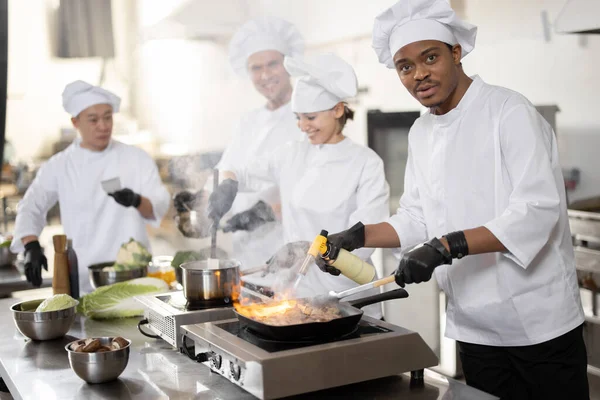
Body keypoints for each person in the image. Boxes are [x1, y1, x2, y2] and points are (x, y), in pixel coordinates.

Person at [320, 1, 589, 398]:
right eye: (405, 66)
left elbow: (535, 212)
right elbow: (417, 215)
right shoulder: (421, 132)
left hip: (537, 321)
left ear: (456, 52)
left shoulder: (508, 112)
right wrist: (357, 236)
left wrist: (446, 246)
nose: (419, 74)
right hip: (474, 324)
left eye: (430, 58)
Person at [207, 53, 390, 318]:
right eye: (298, 117)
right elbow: (239, 171)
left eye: (311, 118)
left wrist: (307, 249)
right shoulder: (291, 153)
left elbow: (366, 236)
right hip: (298, 292)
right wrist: (228, 184)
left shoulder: (365, 163)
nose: (303, 126)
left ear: (338, 110)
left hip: (346, 294)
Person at [11, 80, 170, 294]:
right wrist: (31, 245)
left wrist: (136, 200)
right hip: (85, 281)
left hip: (136, 278)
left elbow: (159, 206)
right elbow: (31, 205)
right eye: (93, 120)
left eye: (107, 117)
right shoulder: (60, 165)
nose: (103, 126)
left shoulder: (136, 159)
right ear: (75, 122)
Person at [174, 16, 305, 272]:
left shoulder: (306, 118)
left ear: (288, 64)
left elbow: (306, 183)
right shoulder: (248, 121)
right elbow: (227, 169)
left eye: (272, 64)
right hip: (245, 251)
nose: (265, 75)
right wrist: (199, 202)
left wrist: (263, 213)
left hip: (288, 250)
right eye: (256, 68)